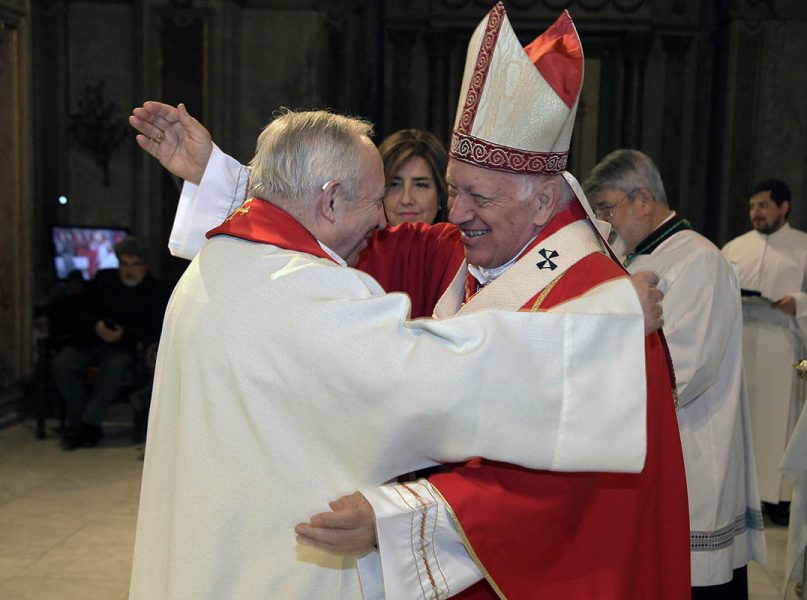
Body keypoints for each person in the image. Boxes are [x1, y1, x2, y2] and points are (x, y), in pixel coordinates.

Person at [132, 5, 691, 598]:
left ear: (542, 197)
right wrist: (229, 180)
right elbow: (319, 231)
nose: (457, 212)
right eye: (452, 188)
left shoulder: (603, 304)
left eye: (479, 194)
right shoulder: (458, 251)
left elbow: (577, 483)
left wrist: (400, 514)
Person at [584, 149, 766, 599]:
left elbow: (684, 367)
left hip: (692, 448)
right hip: (650, 448)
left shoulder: (699, 260)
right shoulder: (636, 257)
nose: (603, 222)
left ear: (643, 199)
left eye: (607, 207)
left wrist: (593, 391)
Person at [721, 179, 807, 523]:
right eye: (753, 206)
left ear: (784, 208)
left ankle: (778, 498)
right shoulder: (734, 248)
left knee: (777, 420)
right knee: (746, 418)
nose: (756, 213)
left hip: (783, 347)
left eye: (764, 206)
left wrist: (796, 303)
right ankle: (740, 493)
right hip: (742, 343)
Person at [51, 236, 168, 450]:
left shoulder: (155, 290)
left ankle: (85, 426)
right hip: (90, 342)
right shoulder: (104, 280)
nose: (129, 270)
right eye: (124, 264)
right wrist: (97, 326)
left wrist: (124, 334)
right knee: (63, 364)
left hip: (123, 348)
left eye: (135, 264)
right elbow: (81, 310)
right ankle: (84, 424)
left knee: (115, 367)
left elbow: (154, 328)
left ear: (145, 265)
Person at [380, 128, 448, 225]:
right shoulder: (355, 240)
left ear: (441, 194)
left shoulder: (461, 240)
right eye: (394, 185)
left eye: (420, 185)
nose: (406, 200)